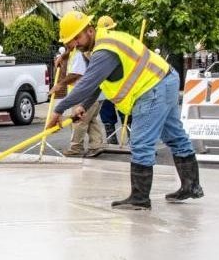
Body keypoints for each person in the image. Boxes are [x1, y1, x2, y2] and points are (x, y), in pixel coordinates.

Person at [47, 11, 203, 210]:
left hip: (152, 87)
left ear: (90, 30)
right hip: (164, 79)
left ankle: (140, 198)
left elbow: (87, 84)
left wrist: (57, 110)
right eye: (71, 40)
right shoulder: (100, 45)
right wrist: (83, 106)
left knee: (140, 143)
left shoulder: (104, 51)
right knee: (174, 136)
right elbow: (97, 84)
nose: (75, 43)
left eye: (77, 37)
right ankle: (192, 186)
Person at [51, 45, 104, 157]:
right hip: (92, 94)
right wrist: (63, 57)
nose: (66, 44)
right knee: (90, 121)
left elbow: (76, 74)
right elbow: (70, 51)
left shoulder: (79, 53)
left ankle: (76, 147)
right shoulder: (76, 51)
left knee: (78, 122)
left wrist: (61, 84)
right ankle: (96, 145)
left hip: (84, 96)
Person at [94, 15, 130, 145]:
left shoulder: (119, 43)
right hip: (108, 85)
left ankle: (131, 137)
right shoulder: (99, 46)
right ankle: (112, 137)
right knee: (108, 112)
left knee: (125, 111)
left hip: (120, 84)